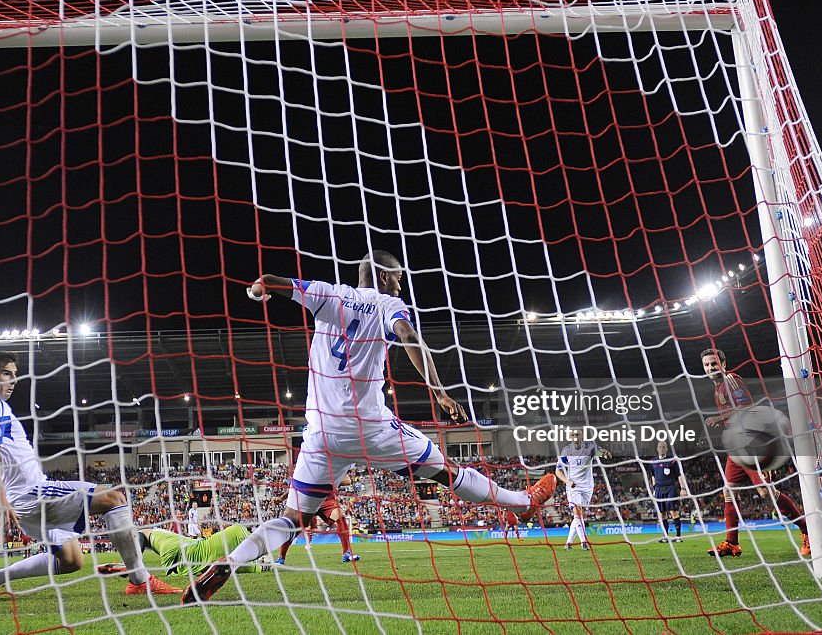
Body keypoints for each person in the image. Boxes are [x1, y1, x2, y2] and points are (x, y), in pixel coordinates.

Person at [180, 251, 557, 604]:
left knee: (293, 519)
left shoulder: (329, 295)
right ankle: (523, 502)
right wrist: (439, 393)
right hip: (372, 429)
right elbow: (409, 336)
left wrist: (259, 289)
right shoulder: (387, 304)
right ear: (382, 275)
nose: (399, 285)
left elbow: (273, 281)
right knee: (446, 471)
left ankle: (231, 560)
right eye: (397, 278)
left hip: (322, 435)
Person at [0, 351, 180, 600]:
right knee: (115, 498)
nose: (13, 380)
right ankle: (140, 580)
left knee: (71, 560)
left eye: (15, 375)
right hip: (33, 494)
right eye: (6, 374)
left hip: (27, 504)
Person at [700, 348, 811, 557]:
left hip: (751, 445)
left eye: (714, 363)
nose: (710, 368)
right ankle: (732, 543)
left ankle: (808, 531)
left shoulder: (731, 380)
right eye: (707, 365)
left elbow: (747, 407)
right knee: (729, 492)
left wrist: (718, 418)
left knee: (765, 492)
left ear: (723, 364)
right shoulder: (718, 388)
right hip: (737, 447)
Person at [98, 524, 271, 581]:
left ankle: (132, 565)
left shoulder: (164, 536)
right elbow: (140, 533)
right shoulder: (155, 532)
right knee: (238, 533)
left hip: (183, 552)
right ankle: (131, 565)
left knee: (224, 563)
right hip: (188, 548)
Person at [555, 429, 611, 551]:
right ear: (570, 437)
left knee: (578, 516)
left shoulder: (590, 447)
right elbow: (558, 471)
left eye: (577, 434)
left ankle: (568, 543)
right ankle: (584, 542)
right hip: (573, 486)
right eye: (573, 435)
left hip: (587, 486)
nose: (575, 436)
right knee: (578, 512)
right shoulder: (566, 451)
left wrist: (605, 454)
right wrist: (568, 482)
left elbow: (600, 452)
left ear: (582, 435)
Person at [649, 440, 685, 543]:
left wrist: (683, 488)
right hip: (659, 489)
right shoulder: (653, 461)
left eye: (664, 447)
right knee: (662, 513)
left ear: (667, 449)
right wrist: (654, 488)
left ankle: (678, 536)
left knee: (673, 511)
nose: (662, 449)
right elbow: (653, 475)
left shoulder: (672, 460)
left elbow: (679, 475)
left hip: (670, 487)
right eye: (660, 447)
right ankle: (666, 536)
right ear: (657, 448)